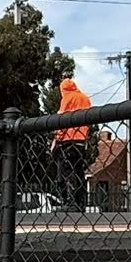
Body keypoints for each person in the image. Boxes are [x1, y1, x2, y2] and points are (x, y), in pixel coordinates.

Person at [52, 78, 92, 212]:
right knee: (78, 171)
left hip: (67, 140)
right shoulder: (85, 98)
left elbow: (61, 121)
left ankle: (70, 202)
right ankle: (80, 202)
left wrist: (57, 139)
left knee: (67, 172)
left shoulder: (67, 98)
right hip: (81, 140)